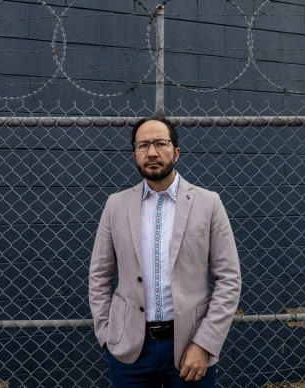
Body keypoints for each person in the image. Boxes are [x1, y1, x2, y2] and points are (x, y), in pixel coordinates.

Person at [89, 117, 241, 387]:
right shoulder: (115, 205)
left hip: (189, 348)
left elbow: (229, 279)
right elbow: (99, 276)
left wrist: (204, 344)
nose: (152, 152)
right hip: (129, 349)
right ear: (135, 153)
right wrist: (107, 334)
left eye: (161, 143)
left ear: (176, 152)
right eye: (143, 145)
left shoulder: (208, 203)